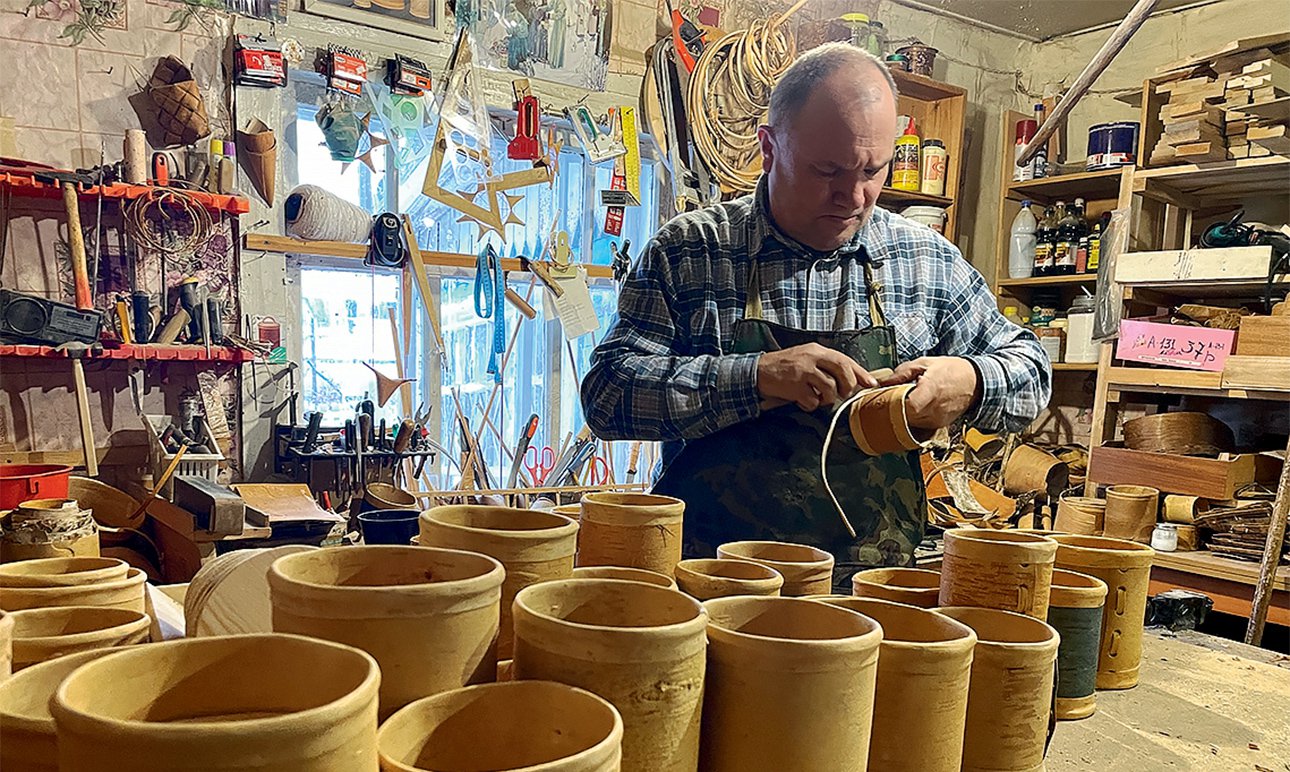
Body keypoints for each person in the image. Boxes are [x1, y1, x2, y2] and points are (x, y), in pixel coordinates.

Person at [581, 43, 1050, 579]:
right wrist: (756, 377)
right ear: (769, 147)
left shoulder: (927, 261)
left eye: (873, 170)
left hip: (873, 592)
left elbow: (1032, 373)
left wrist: (969, 378)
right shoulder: (692, 251)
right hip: (712, 586)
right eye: (827, 170)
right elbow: (607, 395)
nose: (853, 196)